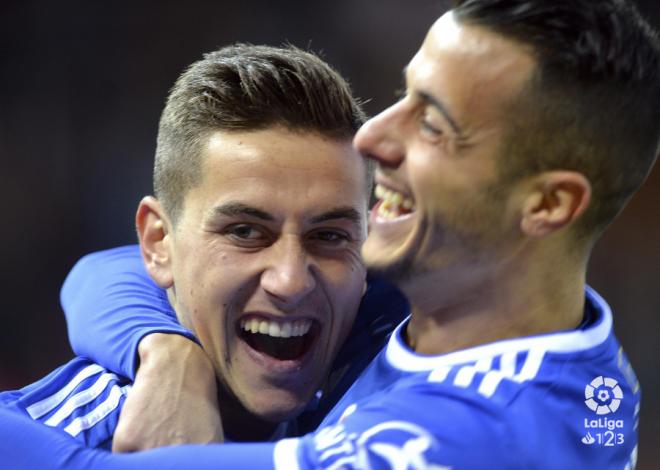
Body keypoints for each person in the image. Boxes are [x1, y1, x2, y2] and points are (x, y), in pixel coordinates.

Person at [2, 0, 659, 467]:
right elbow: (115, 266)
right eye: (403, 96)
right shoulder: (412, 307)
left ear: (547, 203)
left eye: (431, 124)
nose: (373, 136)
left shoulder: (472, 435)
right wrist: (168, 352)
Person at [0, 42, 408, 448]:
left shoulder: (401, 357)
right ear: (158, 242)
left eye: (328, 235)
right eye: (245, 232)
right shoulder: (56, 443)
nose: (290, 281)